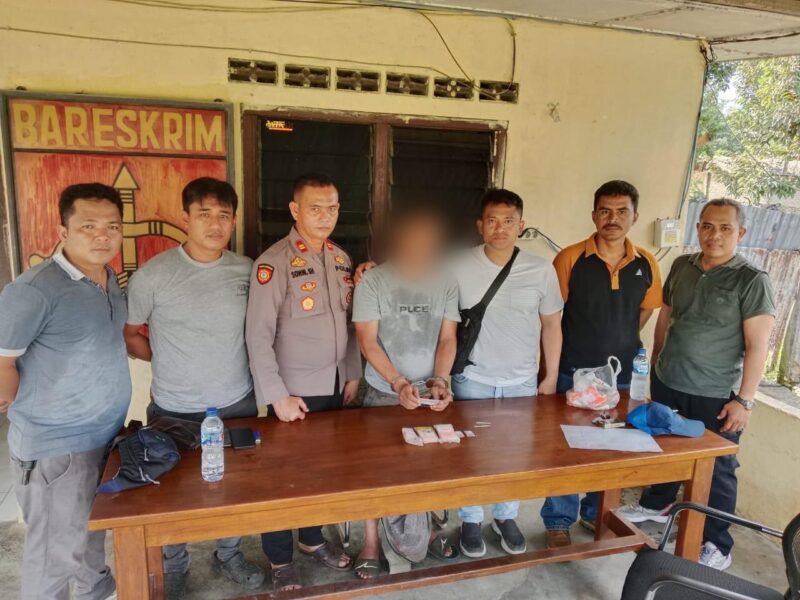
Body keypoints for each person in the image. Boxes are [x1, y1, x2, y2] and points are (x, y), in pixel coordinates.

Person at [123, 177, 265, 598]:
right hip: (174, 406)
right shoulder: (154, 275)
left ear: (234, 221)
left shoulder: (247, 270)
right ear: (185, 218)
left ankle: (229, 553)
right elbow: (130, 334)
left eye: (224, 215)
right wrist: (165, 360)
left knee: (234, 487)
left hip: (236, 400)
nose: (215, 224)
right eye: (204, 214)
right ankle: (174, 564)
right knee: (172, 493)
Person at [618, 198, 774, 570]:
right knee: (663, 448)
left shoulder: (752, 279)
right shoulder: (681, 266)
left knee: (718, 470)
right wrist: (655, 365)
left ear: (741, 233)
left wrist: (745, 401)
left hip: (716, 393)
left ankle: (717, 543)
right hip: (670, 380)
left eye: (724, 228)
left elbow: (758, 345)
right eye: (707, 226)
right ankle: (657, 505)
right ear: (698, 228)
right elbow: (666, 317)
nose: (714, 235)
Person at [0, 183, 129, 600]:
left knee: (90, 530)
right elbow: (2, 361)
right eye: (88, 225)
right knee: (54, 556)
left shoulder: (108, 278)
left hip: (104, 437)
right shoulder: (34, 290)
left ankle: (95, 590)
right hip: (57, 448)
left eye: (112, 226)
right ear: (63, 231)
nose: (102, 235)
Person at [246, 173, 360, 591]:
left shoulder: (341, 258)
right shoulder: (273, 263)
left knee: (321, 473)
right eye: (315, 208)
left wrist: (352, 373)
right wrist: (276, 396)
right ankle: (280, 560)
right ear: (295, 210)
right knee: (281, 480)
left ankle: (312, 539)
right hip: (293, 393)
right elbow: (257, 336)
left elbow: (349, 324)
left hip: (333, 385)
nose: (325, 216)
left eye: (332, 208)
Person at [540, 180, 662, 548]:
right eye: (605, 211)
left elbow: (644, 311)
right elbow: (551, 317)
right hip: (573, 372)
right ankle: (558, 521)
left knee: (612, 447)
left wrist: (619, 337)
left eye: (622, 211)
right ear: (594, 215)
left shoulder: (646, 262)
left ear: (635, 217)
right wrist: (549, 372)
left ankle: (597, 513)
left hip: (622, 377)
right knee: (565, 449)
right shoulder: (570, 258)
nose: (613, 218)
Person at [449, 189, 564, 558]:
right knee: (471, 454)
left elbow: (552, 325)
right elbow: (440, 316)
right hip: (473, 378)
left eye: (508, 221)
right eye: (492, 220)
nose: (500, 228)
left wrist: (550, 376)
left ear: (521, 226)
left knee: (514, 454)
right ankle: (470, 519)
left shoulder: (541, 269)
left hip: (521, 380)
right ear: (480, 225)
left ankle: (505, 515)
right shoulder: (456, 264)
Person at [351, 205, 460, 579]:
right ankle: (371, 542)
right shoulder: (373, 281)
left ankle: (424, 531)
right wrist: (398, 382)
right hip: (383, 391)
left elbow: (448, 338)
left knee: (426, 468)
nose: (419, 247)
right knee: (376, 471)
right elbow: (367, 341)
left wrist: (441, 380)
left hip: (428, 394)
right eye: (412, 239)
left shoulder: (445, 281)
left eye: (427, 241)